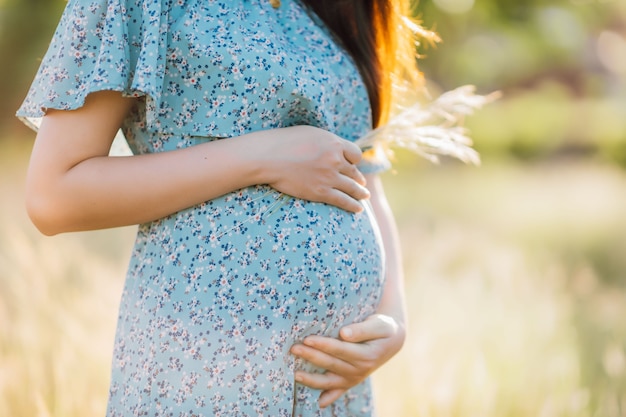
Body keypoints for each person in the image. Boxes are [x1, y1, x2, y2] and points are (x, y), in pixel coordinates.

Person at [18, 0, 424, 415]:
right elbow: (54, 195)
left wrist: (393, 317)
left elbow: (363, 175)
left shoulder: (335, 8)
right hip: (205, 364)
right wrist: (262, 156)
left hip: (332, 384)